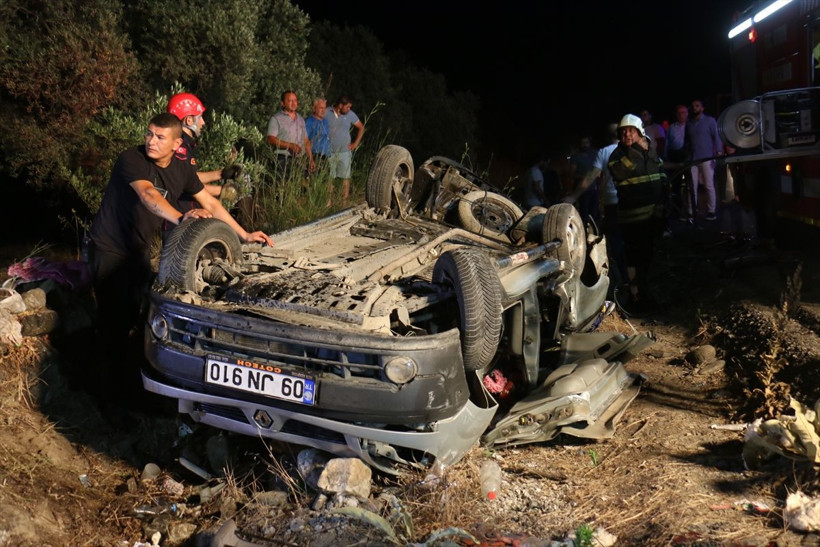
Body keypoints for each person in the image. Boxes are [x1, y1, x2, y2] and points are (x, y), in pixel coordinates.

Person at [88, 113, 273, 405]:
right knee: (113, 325)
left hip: (137, 252)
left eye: (160, 137)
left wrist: (244, 235)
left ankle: (134, 390)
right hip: (108, 248)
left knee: (141, 319)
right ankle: (107, 403)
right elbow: (148, 194)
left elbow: (210, 202)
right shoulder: (132, 159)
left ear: (177, 144)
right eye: (149, 134)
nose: (151, 141)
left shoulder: (182, 169)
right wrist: (180, 217)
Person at [607, 114, 667, 313]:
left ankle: (647, 292)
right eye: (623, 131)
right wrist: (635, 151)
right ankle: (635, 296)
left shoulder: (650, 152)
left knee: (649, 256)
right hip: (633, 219)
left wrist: (665, 202)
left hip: (653, 216)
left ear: (640, 132)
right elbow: (620, 173)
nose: (626, 134)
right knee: (633, 257)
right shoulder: (617, 155)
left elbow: (660, 174)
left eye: (631, 130)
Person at [564, 123, 626, 286]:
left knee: (616, 239)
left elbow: (593, 175)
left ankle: (620, 278)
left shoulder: (603, 152)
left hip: (611, 201)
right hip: (629, 200)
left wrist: (573, 195)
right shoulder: (630, 149)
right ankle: (632, 277)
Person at [685, 99, 723, 221]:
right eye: (693, 106)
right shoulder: (689, 123)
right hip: (693, 159)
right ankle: (691, 212)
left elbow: (716, 136)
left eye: (697, 106)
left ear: (702, 108)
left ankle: (711, 211)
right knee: (692, 186)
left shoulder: (710, 121)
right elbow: (687, 141)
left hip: (707, 157)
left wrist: (719, 150)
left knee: (708, 185)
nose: (694, 108)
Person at [266, 90, 314, 183]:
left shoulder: (300, 119)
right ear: (283, 103)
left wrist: (311, 159)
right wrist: (290, 146)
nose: (293, 103)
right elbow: (270, 139)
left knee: (298, 187)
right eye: (290, 100)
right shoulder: (276, 118)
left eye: (295, 100)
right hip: (282, 158)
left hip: (298, 159)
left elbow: (306, 140)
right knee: (281, 188)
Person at [327, 96, 365, 201]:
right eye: (347, 107)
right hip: (330, 151)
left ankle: (344, 201)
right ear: (340, 105)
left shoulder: (350, 114)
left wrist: (355, 143)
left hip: (344, 151)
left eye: (349, 107)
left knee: (345, 177)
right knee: (330, 178)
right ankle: (328, 202)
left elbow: (361, 127)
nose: (349, 109)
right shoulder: (327, 112)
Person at [663, 104, 692, 221]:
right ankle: (677, 210)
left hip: (688, 156)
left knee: (691, 184)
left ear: (687, 113)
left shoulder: (691, 125)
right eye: (679, 113)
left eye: (683, 112)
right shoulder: (672, 127)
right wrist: (665, 156)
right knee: (676, 185)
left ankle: (691, 209)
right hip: (675, 156)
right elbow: (667, 142)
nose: (681, 115)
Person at [569, 136, 599, 223]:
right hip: (582, 191)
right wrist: (584, 178)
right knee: (584, 214)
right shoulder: (576, 157)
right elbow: (571, 174)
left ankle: (594, 233)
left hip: (594, 189)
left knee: (595, 214)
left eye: (587, 143)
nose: (585, 145)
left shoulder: (594, 153)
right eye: (583, 143)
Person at [305, 97, 330, 168]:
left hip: (326, 156)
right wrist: (310, 159)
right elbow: (306, 141)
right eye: (321, 108)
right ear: (314, 108)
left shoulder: (325, 122)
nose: (323, 111)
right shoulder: (309, 122)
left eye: (324, 108)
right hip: (315, 155)